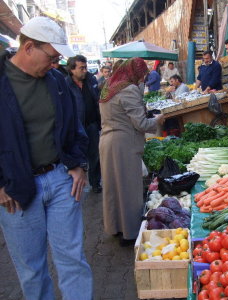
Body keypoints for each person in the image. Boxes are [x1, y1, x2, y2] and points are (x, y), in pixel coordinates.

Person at [0, 16, 93, 299]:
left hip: (62, 180)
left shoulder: (57, 82)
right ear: (28, 47)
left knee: (73, 260)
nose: (55, 64)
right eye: (51, 57)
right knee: (32, 269)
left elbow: (74, 128)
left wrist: (78, 165)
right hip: (16, 189)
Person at [99, 58, 165, 246]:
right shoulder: (128, 90)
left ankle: (114, 227)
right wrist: (158, 120)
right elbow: (141, 123)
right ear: (134, 72)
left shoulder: (108, 87)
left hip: (107, 141)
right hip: (124, 144)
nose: (143, 77)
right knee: (128, 189)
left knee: (113, 188)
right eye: (142, 73)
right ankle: (129, 234)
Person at [66, 55, 102, 193]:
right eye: (82, 68)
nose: (85, 70)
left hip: (92, 125)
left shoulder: (91, 80)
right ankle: (77, 184)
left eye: (86, 67)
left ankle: (95, 183)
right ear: (72, 69)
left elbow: (97, 99)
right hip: (75, 128)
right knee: (78, 157)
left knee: (95, 156)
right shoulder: (65, 84)